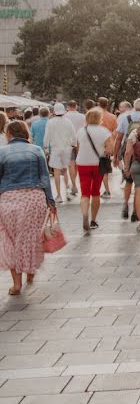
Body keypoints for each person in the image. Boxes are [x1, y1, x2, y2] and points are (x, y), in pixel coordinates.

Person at [0, 120, 56, 296]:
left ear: (8, 133)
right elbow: (45, 177)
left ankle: (17, 285)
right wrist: (51, 201)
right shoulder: (36, 150)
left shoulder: (2, 152)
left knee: (11, 240)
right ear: (25, 133)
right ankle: (30, 272)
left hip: (9, 199)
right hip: (34, 198)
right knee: (30, 237)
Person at [74, 107, 113, 233]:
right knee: (95, 191)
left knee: (85, 193)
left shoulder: (81, 131)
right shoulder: (104, 131)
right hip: (98, 164)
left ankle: (85, 214)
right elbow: (110, 150)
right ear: (99, 118)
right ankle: (93, 220)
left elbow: (78, 148)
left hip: (82, 163)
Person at [113, 99, 140, 221]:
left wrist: (115, 155)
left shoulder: (126, 118)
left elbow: (118, 138)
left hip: (128, 153)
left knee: (128, 181)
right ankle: (136, 211)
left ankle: (125, 204)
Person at [44, 103, 76, 204]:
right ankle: (67, 191)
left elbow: (47, 136)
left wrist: (46, 148)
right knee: (65, 170)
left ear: (54, 111)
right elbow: (74, 136)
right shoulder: (68, 122)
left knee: (57, 173)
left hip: (56, 149)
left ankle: (58, 195)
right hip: (67, 149)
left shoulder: (50, 122)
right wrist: (73, 145)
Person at [63, 100, 86, 198]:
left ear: (67, 107)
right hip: (80, 141)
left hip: (68, 142)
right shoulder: (82, 116)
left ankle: (74, 184)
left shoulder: (64, 117)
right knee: (77, 164)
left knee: (71, 164)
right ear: (76, 106)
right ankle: (74, 183)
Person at [96, 98, 118, 199]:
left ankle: (96, 190)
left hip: (95, 145)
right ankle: (106, 189)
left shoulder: (94, 116)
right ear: (107, 105)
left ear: (98, 104)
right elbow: (116, 131)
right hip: (107, 146)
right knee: (104, 169)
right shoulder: (112, 117)